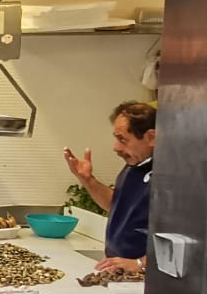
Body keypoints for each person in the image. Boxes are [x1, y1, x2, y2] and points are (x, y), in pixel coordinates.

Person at [65, 102, 155, 272]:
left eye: (123, 139)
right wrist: (88, 180)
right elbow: (118, 206)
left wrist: (141, 264)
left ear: (151, 137)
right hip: (119, 271)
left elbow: (184, 237)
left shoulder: (172, 176)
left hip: (145, 279)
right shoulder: (133, 165)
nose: (116, 147)